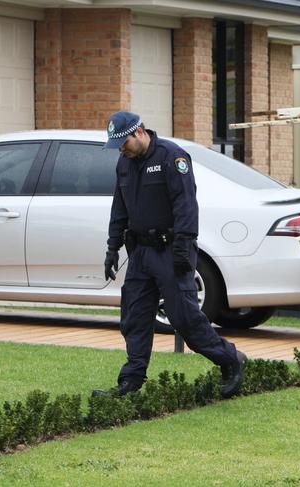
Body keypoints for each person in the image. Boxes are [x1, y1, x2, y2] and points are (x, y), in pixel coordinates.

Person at [93, 111, 246, 398]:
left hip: (170, 249)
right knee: (134, 317)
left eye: (123, 143)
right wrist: (112, 248)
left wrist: (182, 250)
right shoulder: (125, 163)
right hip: (140, 253)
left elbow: (186, 206)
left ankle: (229, 359)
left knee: (184, 317)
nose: (121, 150)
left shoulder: (171, 158)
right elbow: (120, 207)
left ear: (138, 133)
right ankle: (131, 382)